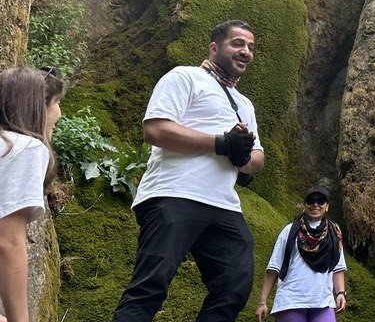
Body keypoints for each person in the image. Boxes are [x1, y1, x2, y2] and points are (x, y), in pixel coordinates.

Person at [113, 20, 265, 322]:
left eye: (250, 47)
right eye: (237, 43)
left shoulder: (244, 104)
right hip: (173, 193)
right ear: (214, 47)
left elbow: (258, 159)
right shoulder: (185, 77)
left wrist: (240, 153)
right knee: (150, 286)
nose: (245, 51)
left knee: (234, 286)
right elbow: (155, 128)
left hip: (223, 205)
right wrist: (220, 143)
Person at [0, 67, 63, 322]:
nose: (59, 112)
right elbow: (7, 242)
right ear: (37, 107)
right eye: (57, 103)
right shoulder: (23, 148)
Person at [255, 186, 347, 322]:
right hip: (291, 300)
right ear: (305, 205)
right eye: (311, 201)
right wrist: (262, 302)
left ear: (327, 206)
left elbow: (337, 267)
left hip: (323, 301)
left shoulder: (334, 233)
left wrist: (340, 293)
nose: (315, 204)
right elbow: (273, 268)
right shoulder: (289, 231)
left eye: (321, 201)